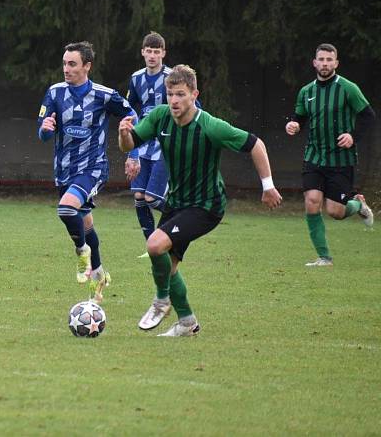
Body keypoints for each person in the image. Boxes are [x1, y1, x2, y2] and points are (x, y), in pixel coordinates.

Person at [119, 64, 282, 336]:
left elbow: (256, 144)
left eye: (180, 94)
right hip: (178, 202)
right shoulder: (160, 117)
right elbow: (129, 145)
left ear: (194, 94)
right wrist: (124, 134)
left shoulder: (210, 126)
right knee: (167, 267)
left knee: (155, 245)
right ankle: (187, 322)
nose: (173, 100)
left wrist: (268, 186)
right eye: (170, 94)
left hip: (206, 206)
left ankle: (161, 301)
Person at [37, 41, 137, 303]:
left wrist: (133, 153)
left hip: (93, 168)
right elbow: (43, 132)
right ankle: (100, 274)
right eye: (64, 64)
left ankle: (82, 255)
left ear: (87, 66)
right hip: (64, 170)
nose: (66, 69)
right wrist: (45, 129)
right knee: (85, 223)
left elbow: (132, 116)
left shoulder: (105, 95)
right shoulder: (55, 93)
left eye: (72, 64)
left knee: (66, 209)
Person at [285, 43, 375, 267]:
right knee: (312, 201)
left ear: (336, 63)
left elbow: (368, 116)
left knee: (336, 211)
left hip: (340, 159)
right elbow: (300, 117)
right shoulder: (306, 91)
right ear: (314, 62)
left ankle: (358, 205)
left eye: (329, 60)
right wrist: (294, 124)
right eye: (321, 59)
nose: (325, 63)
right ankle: (324, 258)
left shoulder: (348, 88)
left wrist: (353, 136)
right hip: (314, 157)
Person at [125, 32, 173, 256]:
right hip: (143, 144)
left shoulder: (172, 77)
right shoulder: (136, 79)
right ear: (143, 52)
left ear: (163, 53)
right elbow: (129, 112)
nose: (153, 55)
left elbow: (194, 106)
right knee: (139, 197)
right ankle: (152, 245)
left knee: (152, 199)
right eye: (149, 51)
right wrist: (131, 153)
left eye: (157, 51)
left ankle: (179, 217)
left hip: (165, 145)